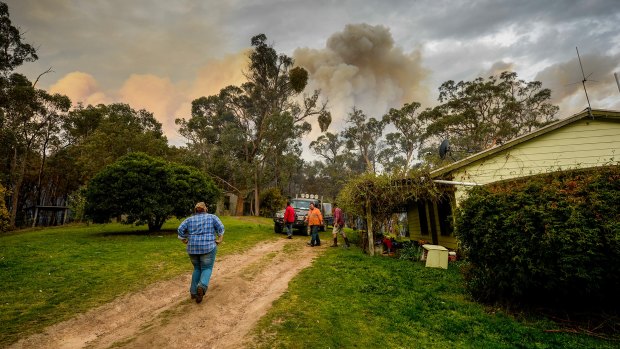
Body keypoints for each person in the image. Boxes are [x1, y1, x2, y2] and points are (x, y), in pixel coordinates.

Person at [178, 202, 225, 304]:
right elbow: (221, 228)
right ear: (206, 209)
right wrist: (220, 239)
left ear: (196, 210)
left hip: (192, 248)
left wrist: (183, 239)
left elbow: (180, 229)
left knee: (197, 268)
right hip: (208, 247)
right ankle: (202, 286)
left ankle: (193, 292)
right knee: (206, 268)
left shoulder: (189, 219)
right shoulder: (212, 217)